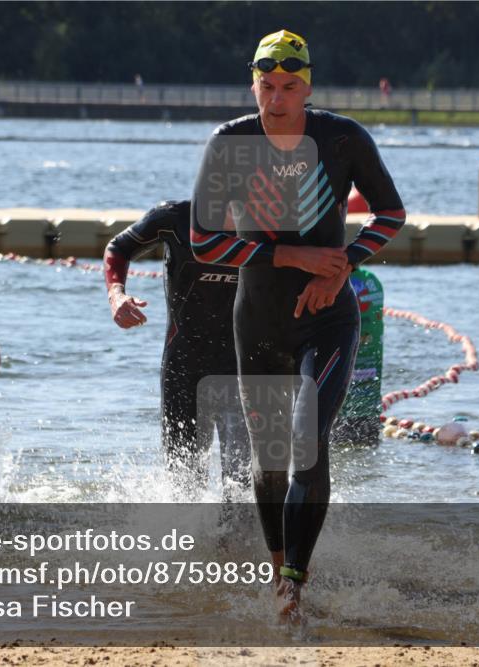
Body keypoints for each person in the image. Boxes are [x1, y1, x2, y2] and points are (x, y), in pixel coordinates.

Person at [190, 29, 406, 622]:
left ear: (306, 87)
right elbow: (204, 242)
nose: (277, 99)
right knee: (268, 463)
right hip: (257, 322)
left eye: (289, 87)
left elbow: (391, 214)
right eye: (266, 86)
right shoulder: (229, 143)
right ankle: (280, 563)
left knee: (308, 441)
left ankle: (292, 585)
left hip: (326, 320)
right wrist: (292, 257)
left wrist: (342, 267)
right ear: (253, 85)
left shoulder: (341, 139)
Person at [104, 200, 250, 501]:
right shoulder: (176, 217)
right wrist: (116, 295)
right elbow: (119, 247)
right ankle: (189, 546)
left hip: (244, 367)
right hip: (184, 365)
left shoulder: (271, 225)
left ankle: (236, 546)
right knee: (184, 487)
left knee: (242, 485)